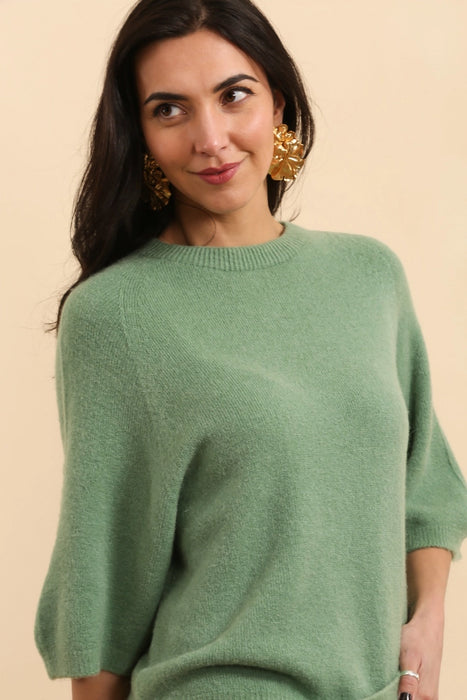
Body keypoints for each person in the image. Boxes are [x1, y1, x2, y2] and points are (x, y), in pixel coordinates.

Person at [34, 1, 467, 699]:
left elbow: (426, 484)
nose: (211, 139)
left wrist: (429, 622)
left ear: (278, 104)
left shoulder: (368, 277)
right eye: (169, 110)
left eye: (234, 96)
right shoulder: (115, 316)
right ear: (140, 135)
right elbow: (103, 580)